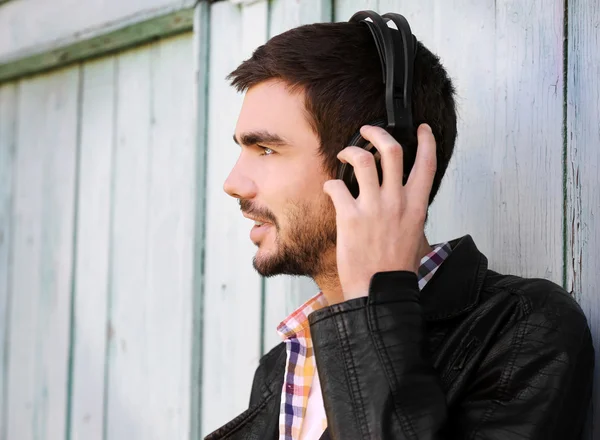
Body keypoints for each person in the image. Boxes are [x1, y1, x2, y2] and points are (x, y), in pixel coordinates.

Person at [205, 12, 595, 440]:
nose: (232, 183)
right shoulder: (281, 368)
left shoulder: (520, 329)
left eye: (265, 149)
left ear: (366, 163)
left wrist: (376, 303)